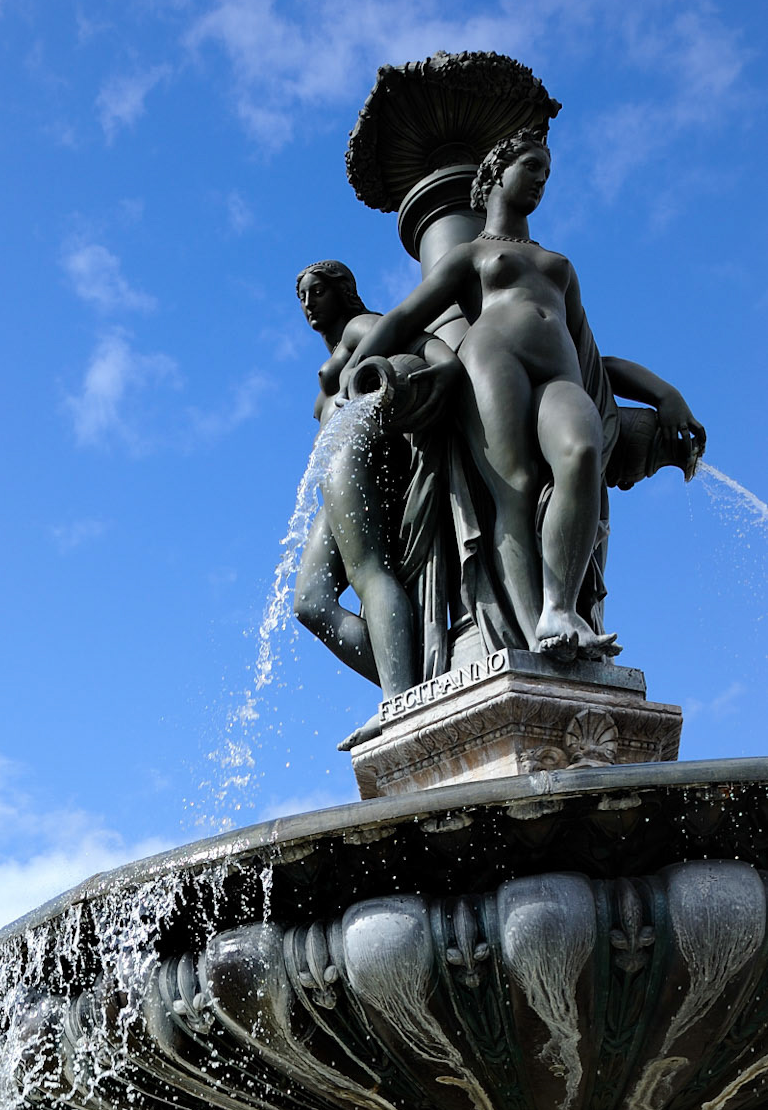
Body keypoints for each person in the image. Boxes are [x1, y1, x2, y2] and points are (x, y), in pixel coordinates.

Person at [347, 133, 703, 662]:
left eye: (546, 172)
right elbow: (403, 318)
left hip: (562, 373)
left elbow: (595, 358)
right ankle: (538, 626)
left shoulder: (558, 264)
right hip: (492, 361)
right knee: (511, 491)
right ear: (494, 175)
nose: (541, 180)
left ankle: (561, 603)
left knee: (581, 455)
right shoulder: (471, 255)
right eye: (532, 167)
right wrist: (355, 373)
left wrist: (666, 394)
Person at [292, 260, 459, 695]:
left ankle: (399, 700)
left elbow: (422, 339)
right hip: (339, 464)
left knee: (369, 572)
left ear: (343, 291)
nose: (309, 303)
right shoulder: (336, 351)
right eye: (302, 296)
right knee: (310, 602)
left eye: (318, 291)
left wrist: (446, 367)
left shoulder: (357, 327)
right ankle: (409, 686)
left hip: (363, 450)